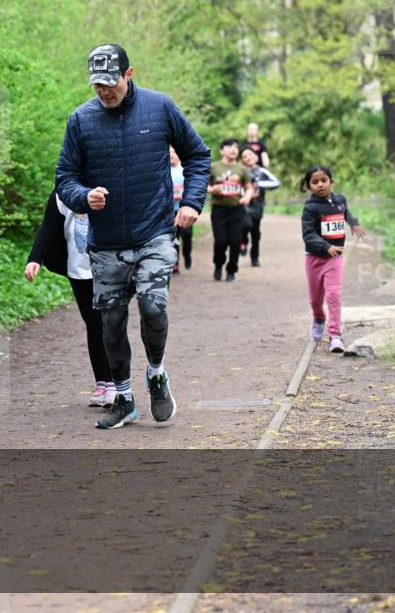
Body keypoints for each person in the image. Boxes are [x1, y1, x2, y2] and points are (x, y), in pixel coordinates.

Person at [55, 43, 210, 430]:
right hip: (106, 241)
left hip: (154, 232)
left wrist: (191, 202)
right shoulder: (81, 119)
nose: (104, 91)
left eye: (110, 83)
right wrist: (82, 197)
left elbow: (197, 155)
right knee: (110, 322)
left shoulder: (160, 107)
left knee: (154, 307)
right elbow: (65, 178)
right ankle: (123, 398)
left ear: (129, 73)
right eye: (97, 85)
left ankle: (156, 373)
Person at [24, 190, 115, 407]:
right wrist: (35, 258)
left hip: (110, 267)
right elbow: (48, 227)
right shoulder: (63, 192)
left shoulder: (109, 184)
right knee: (93, 325)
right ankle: (102, 382)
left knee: (110, 323)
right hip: (79, 270)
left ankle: (115, 383)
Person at [300, 165, 366, 353]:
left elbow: (345, 212)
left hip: (335, 257)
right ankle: (319, 318)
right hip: (314, 258)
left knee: (334, 294)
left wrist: (353, 223)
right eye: (315, 182)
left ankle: (335, 335)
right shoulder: (310, 208)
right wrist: (325, 246)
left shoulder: (339, 200)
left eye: (324, 180)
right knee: (315, 300)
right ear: (309, 186)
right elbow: (308, 235)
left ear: (331, 181)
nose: (320, 185)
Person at [208, 138, 254, 282]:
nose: (233, 149)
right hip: (219, 210)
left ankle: (231, 271)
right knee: (220, 241)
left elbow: (249, 188)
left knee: (235, 241)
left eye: (235, 147)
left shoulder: (241, 169)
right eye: (229, 147)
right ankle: (218, 264)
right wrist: (212, 189)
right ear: (222, 150)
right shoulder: (214, 167)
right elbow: (203, 185)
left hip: (236, 209)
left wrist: (247, 197)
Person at [238, 145, 281, 267]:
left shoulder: (262, 171)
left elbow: (276, 182)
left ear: (256, 157)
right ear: (242, 160)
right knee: (245, 225)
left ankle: (254, 257)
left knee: (255, 233)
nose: (248, 158)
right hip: (243, 205)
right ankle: (243, 241)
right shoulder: (240, 171)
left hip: (257, 206)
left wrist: (259, 184)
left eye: (250, 155)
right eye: (244, 156)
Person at [170, 145, 194, 272]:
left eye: (174, 152)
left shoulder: (184, 170)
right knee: (173, 237)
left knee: (187, 235)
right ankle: (175, 263)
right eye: (169, 152)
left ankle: (187, 254)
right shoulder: (164, 171)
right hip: (169, 211)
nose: (171, 155)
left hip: (184, 210)